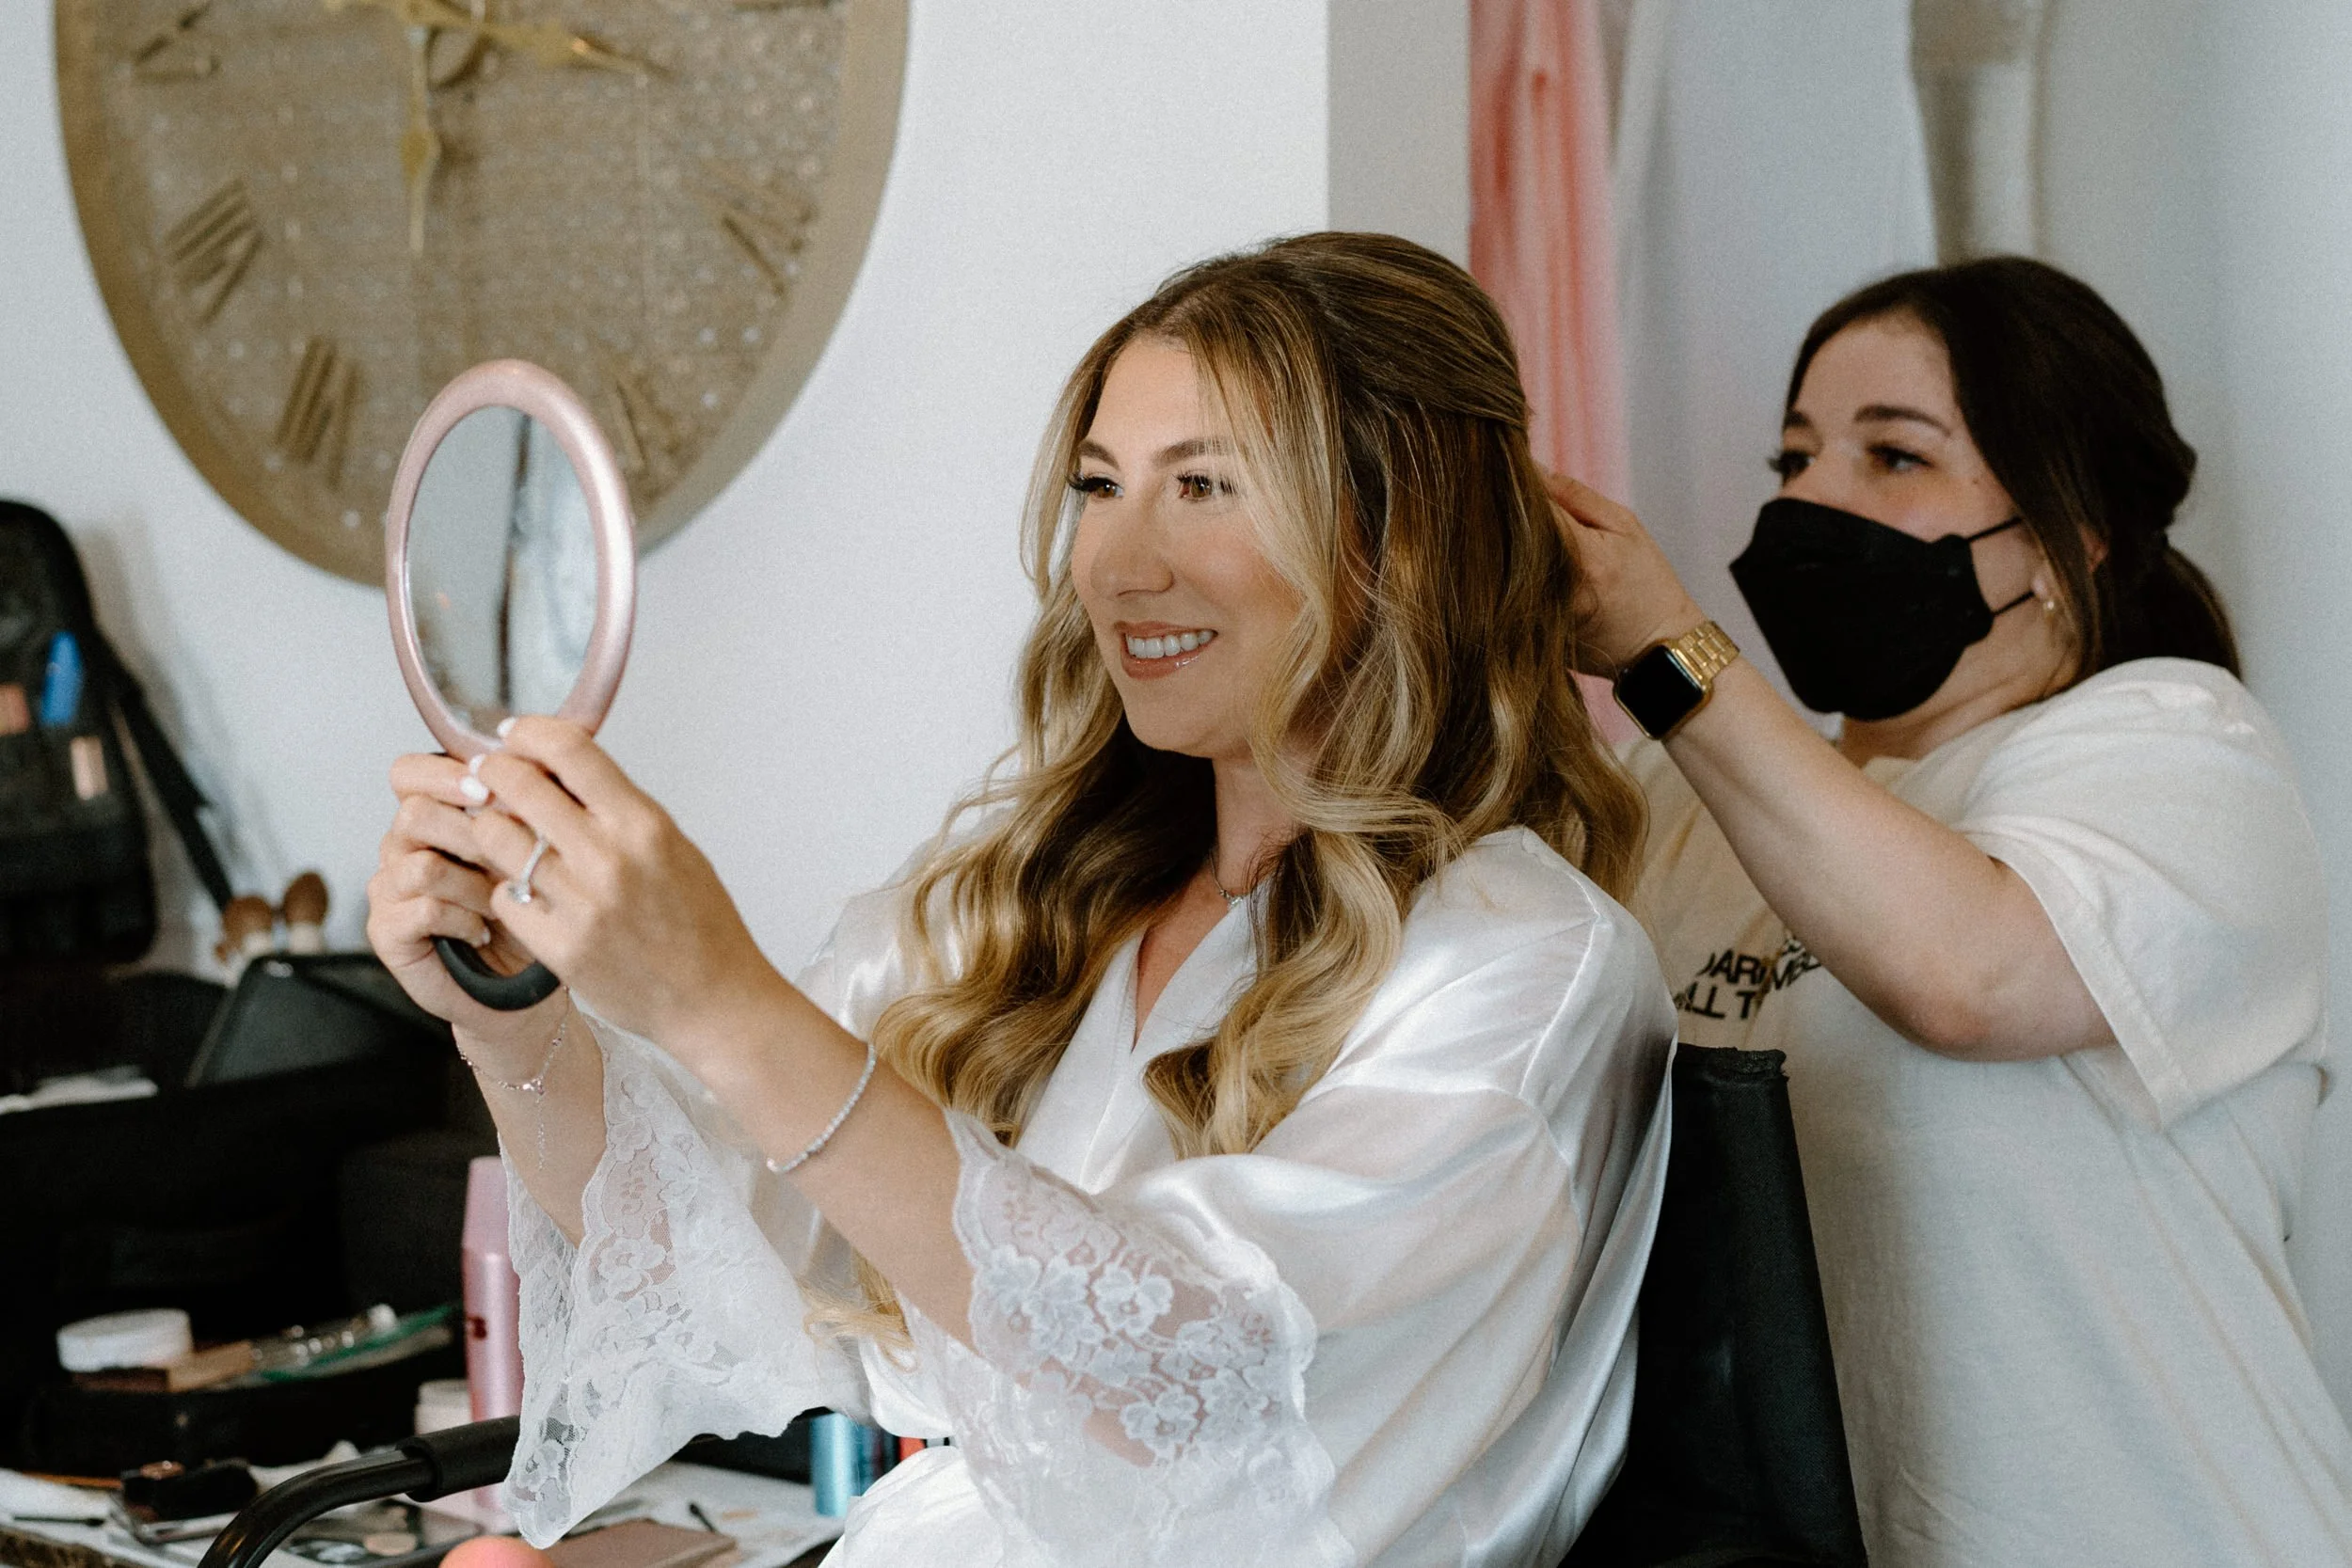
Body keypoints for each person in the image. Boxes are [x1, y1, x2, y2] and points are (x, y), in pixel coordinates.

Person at [369, 232, 1677, 1567]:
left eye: (1204, 485)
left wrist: (724, 1003)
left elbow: (1201, 1379)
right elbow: (707, 1251)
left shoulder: (1524, 964)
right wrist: (516, 1018)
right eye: (1099, 486)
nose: (1118, 562)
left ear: (1401, 534)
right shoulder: (1032, 915)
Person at [1552, 255, 2352, 1564]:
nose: (1814, 500)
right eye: (1795, 456)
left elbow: (1964, 975)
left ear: (2065, 533)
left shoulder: (2177, 750)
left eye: (1894, 457)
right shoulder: (1689, 797)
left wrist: (1666, 652)